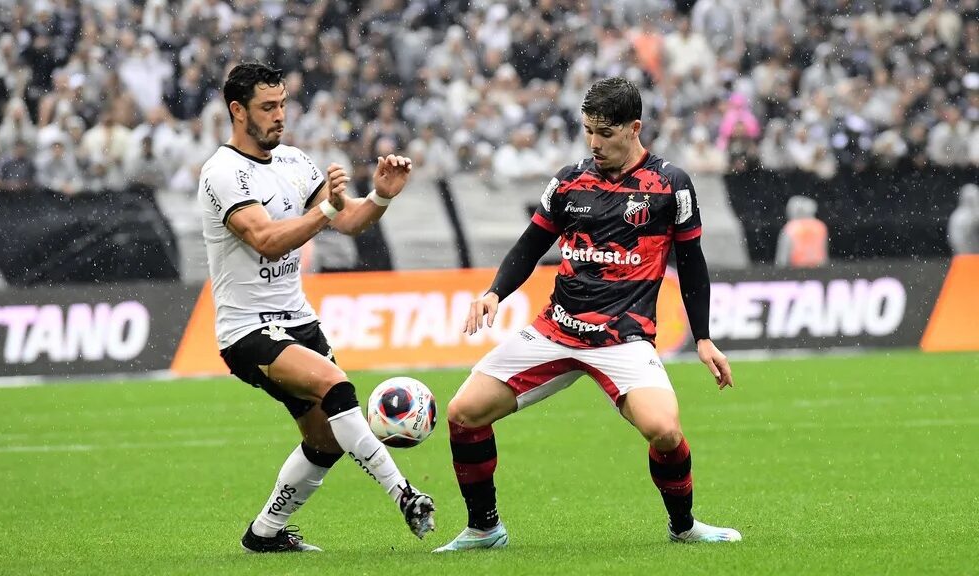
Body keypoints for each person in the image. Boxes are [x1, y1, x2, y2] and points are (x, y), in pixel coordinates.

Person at [434, 77, 741, 553]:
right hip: (557, 330)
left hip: (624, 339)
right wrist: (495, 292)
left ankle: (684, 527)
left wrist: (703, 337)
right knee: (463, 413)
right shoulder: (568, 181)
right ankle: (484, 528)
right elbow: (530, 246)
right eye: (588, 131)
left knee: (664, 432)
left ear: (634, 128)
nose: (594, 143)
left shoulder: (670, 185)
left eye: (605, 132)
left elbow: (693, 262)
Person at [197, 62, 434, 553]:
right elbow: (265, 240)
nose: (279, 116)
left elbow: (346, 222)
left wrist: (380, 197)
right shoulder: (223, 173)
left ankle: (264, 534)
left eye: (282, 104)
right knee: (335, 385)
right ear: (237, 111)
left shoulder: (295, 162)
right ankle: (405, 495)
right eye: (267, 107)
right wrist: (323, 210)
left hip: (299, 320)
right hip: (246, 331)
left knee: (326, 440)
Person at [775, 195, 829, 268]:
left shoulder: (791, 228)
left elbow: (782, 258)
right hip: (818, 270)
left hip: (796, 271)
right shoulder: (820, 227)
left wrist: (780, 270)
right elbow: (824, 254)